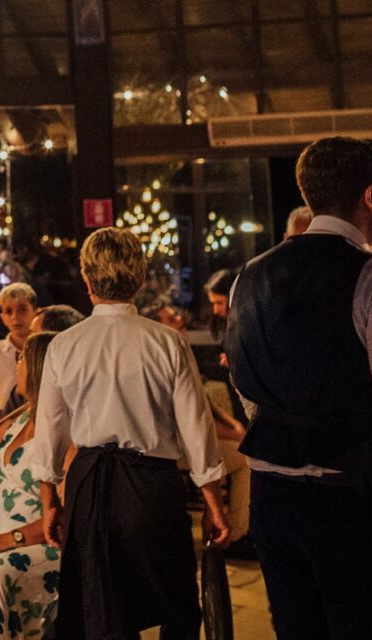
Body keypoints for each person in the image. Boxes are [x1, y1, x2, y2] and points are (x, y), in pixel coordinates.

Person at [224, 137, 372, 639]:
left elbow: (247, 386)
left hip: (273, 496)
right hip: (350, 498)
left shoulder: (249, 275)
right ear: (371, 198)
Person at [29, 228, 227, 640]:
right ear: (139, 278)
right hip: (152, 486)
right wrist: (213, 501)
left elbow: (49, 431)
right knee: (173, 600)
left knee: (100, 609)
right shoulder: (166, 342)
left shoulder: (64, 345)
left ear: (86, 280)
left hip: (89, 484)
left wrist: (50, 501)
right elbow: (196, 426)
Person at [0, 331, 60, 640]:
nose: (16, 364)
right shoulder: (22, 416)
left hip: (32, 542)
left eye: (20, 359)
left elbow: (65, 511)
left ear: (37, 367)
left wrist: (8, 539)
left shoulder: (65, 428)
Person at [0, 283, 38, 426]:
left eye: (22, 309)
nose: (15, 316)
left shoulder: (41, 350)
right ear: (2, 317)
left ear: (35, 311)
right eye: (8, 311)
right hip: (1, 425)